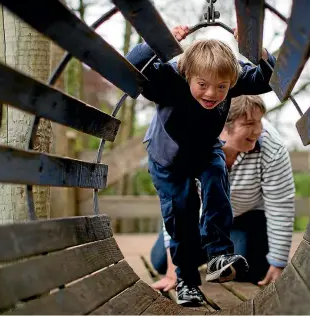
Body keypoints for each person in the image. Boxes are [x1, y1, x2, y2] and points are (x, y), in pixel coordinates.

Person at [126, 26, 276, 306]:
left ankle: (219, 253)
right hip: (167, 158)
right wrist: (161, 40)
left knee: (216, 180)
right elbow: (133, 66)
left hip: (205, 149)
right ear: (188, 75)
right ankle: (186, 281)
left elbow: (269, 77)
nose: (213, 93)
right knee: (181, 214)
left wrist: (255, 49)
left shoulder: (228, 79)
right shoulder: (170, 79)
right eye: (203, 85)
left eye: (222, 87)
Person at [150, 95, 296, 293]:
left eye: (260, 120)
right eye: (249, 123)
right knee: (161, 262)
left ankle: (224, 251)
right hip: (202, 219)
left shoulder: (272, 146)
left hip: (247, 216)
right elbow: (177, 205)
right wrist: (173, 270)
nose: (259, 130)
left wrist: (278, 263)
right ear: (222, 126)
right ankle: (206, 254)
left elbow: (280, 205)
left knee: (249, 268)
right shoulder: (187, 145)